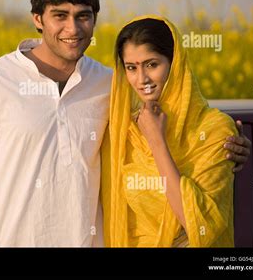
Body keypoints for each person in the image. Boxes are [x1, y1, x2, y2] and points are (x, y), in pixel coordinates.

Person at [0, 0, 250, 247]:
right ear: (38, 19)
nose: (73, 28)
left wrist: (231, 145)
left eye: (83, 15)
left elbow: (177, 121)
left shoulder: (111, 86)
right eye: (60, 15)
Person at [101, 15, 237, 247]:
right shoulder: (123, 132)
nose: (142, 78)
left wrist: (158, 142)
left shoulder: (214, 129)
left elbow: (200, 228)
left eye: (152, 65)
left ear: (175, 63)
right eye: (131, 68)